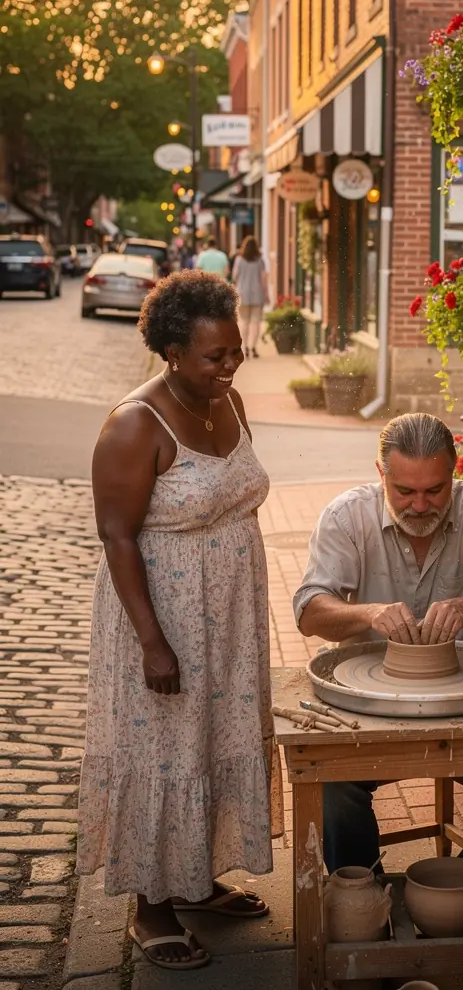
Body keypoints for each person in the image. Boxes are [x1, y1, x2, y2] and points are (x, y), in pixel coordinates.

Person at [77, 271, 284, 971]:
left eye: (234, 353)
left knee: (210, 743)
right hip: (163, 613)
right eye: (212, 356)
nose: (228, 366)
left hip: (228, 613)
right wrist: (152, 641)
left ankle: (195, 879)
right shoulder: (136, 423)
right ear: (171, 352)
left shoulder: (229, 401)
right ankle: (151, 906)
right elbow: (117, 536)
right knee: (164, 753)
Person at [293, 413, 463, 911]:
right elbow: (309, 611)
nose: (420, 505)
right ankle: (365, 907)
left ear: (454, 472)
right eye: (405, 491)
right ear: (380, 473)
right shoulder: (347, 516)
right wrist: (367, 612)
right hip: (369, 704)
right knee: (330, 785)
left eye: (435, 490)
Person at [231, 235, 268, 358]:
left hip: (243, 294)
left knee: (244, 322)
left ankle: (245, 347)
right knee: (256, 322)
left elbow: (235, 276)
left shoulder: (239, 259)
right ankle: (253, 347)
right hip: (257, 294)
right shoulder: (260, 260)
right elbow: (263, 278)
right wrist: (266, 293)